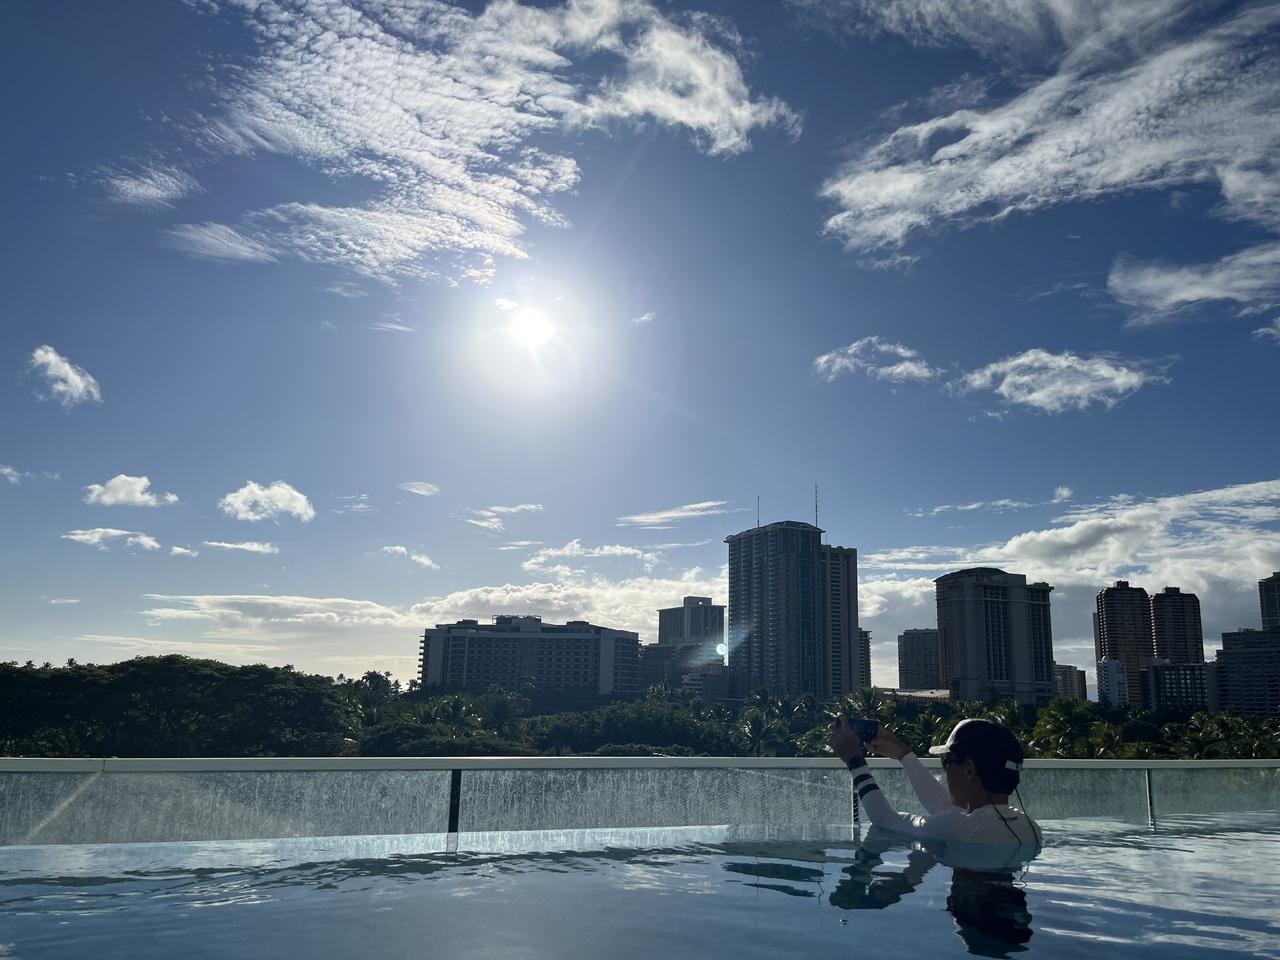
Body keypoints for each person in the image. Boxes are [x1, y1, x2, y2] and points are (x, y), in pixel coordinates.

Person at [827, 716, 1041, 845]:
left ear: (968, 771)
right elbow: (948, 810)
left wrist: (854, 761)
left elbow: (883, 818)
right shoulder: (1031, 828)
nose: (945, 771)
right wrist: (904, 754)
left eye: (947, 762)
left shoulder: (958, 828)